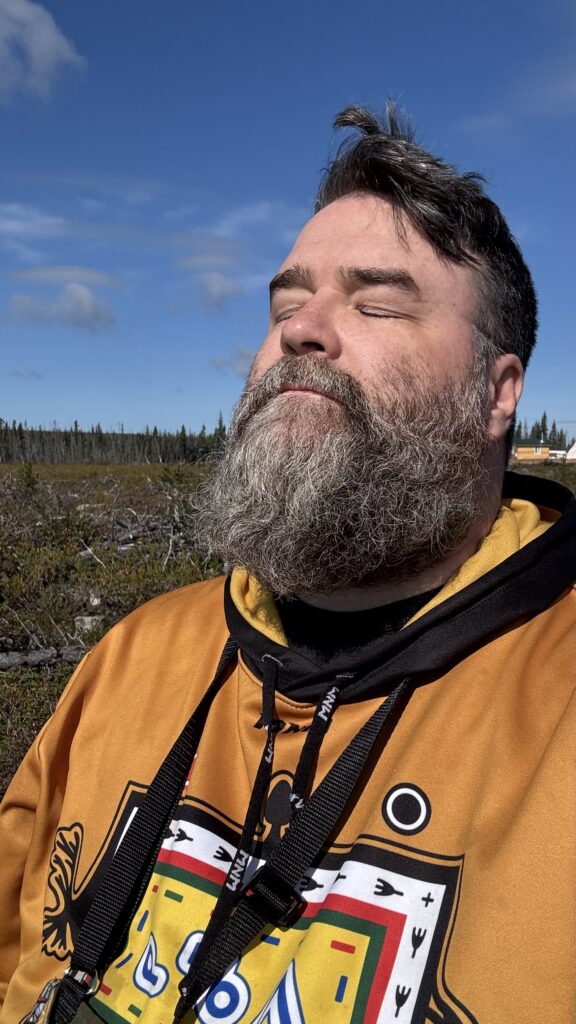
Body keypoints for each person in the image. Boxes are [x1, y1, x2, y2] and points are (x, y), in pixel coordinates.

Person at [1, 104, 575, 1024]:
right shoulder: (136, 655)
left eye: (376, 302)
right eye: (284, 303)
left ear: (499, 392)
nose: (302, 331)